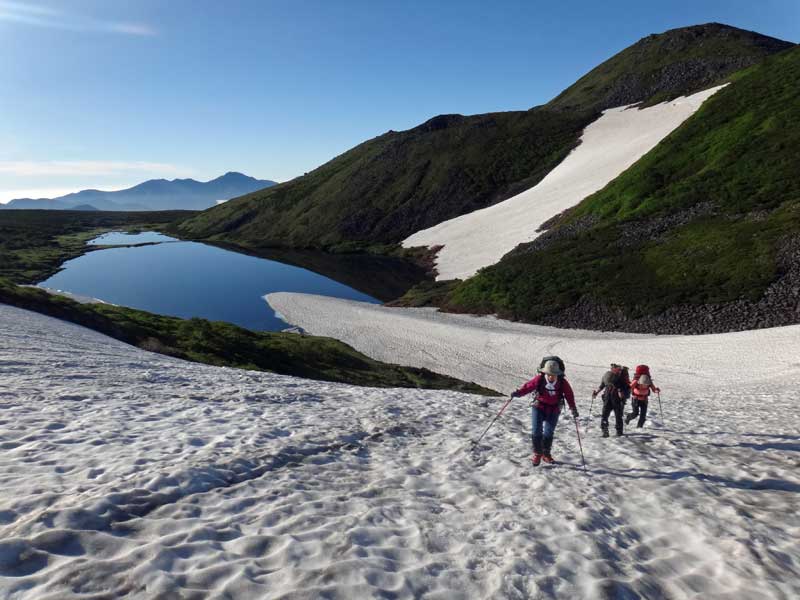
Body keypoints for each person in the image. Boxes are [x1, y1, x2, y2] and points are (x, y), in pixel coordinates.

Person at [511, 359, 578, 466]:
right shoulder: (539, 379)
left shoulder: (562, 382)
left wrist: (573, 408)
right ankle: (537, 453)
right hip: (539, 406)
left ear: (558, 374)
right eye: (549, 374)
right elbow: (528, 387)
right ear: (545, 373)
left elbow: (569, 395)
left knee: (548, 432)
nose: (551, 377)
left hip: (554, 408)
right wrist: (518, 393)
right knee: (537, 430)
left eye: (554, 374)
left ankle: (546, 454)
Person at [592, 363, 630, 437]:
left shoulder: (610, 376)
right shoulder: (611, 376)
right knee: (617, 415)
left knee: (605, 415)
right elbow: (603, 385)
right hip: (615, 399)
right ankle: (618, 432)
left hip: (609, 397)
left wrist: (596, 393)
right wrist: (596, 393)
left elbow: (602, 385)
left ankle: (605, 431)